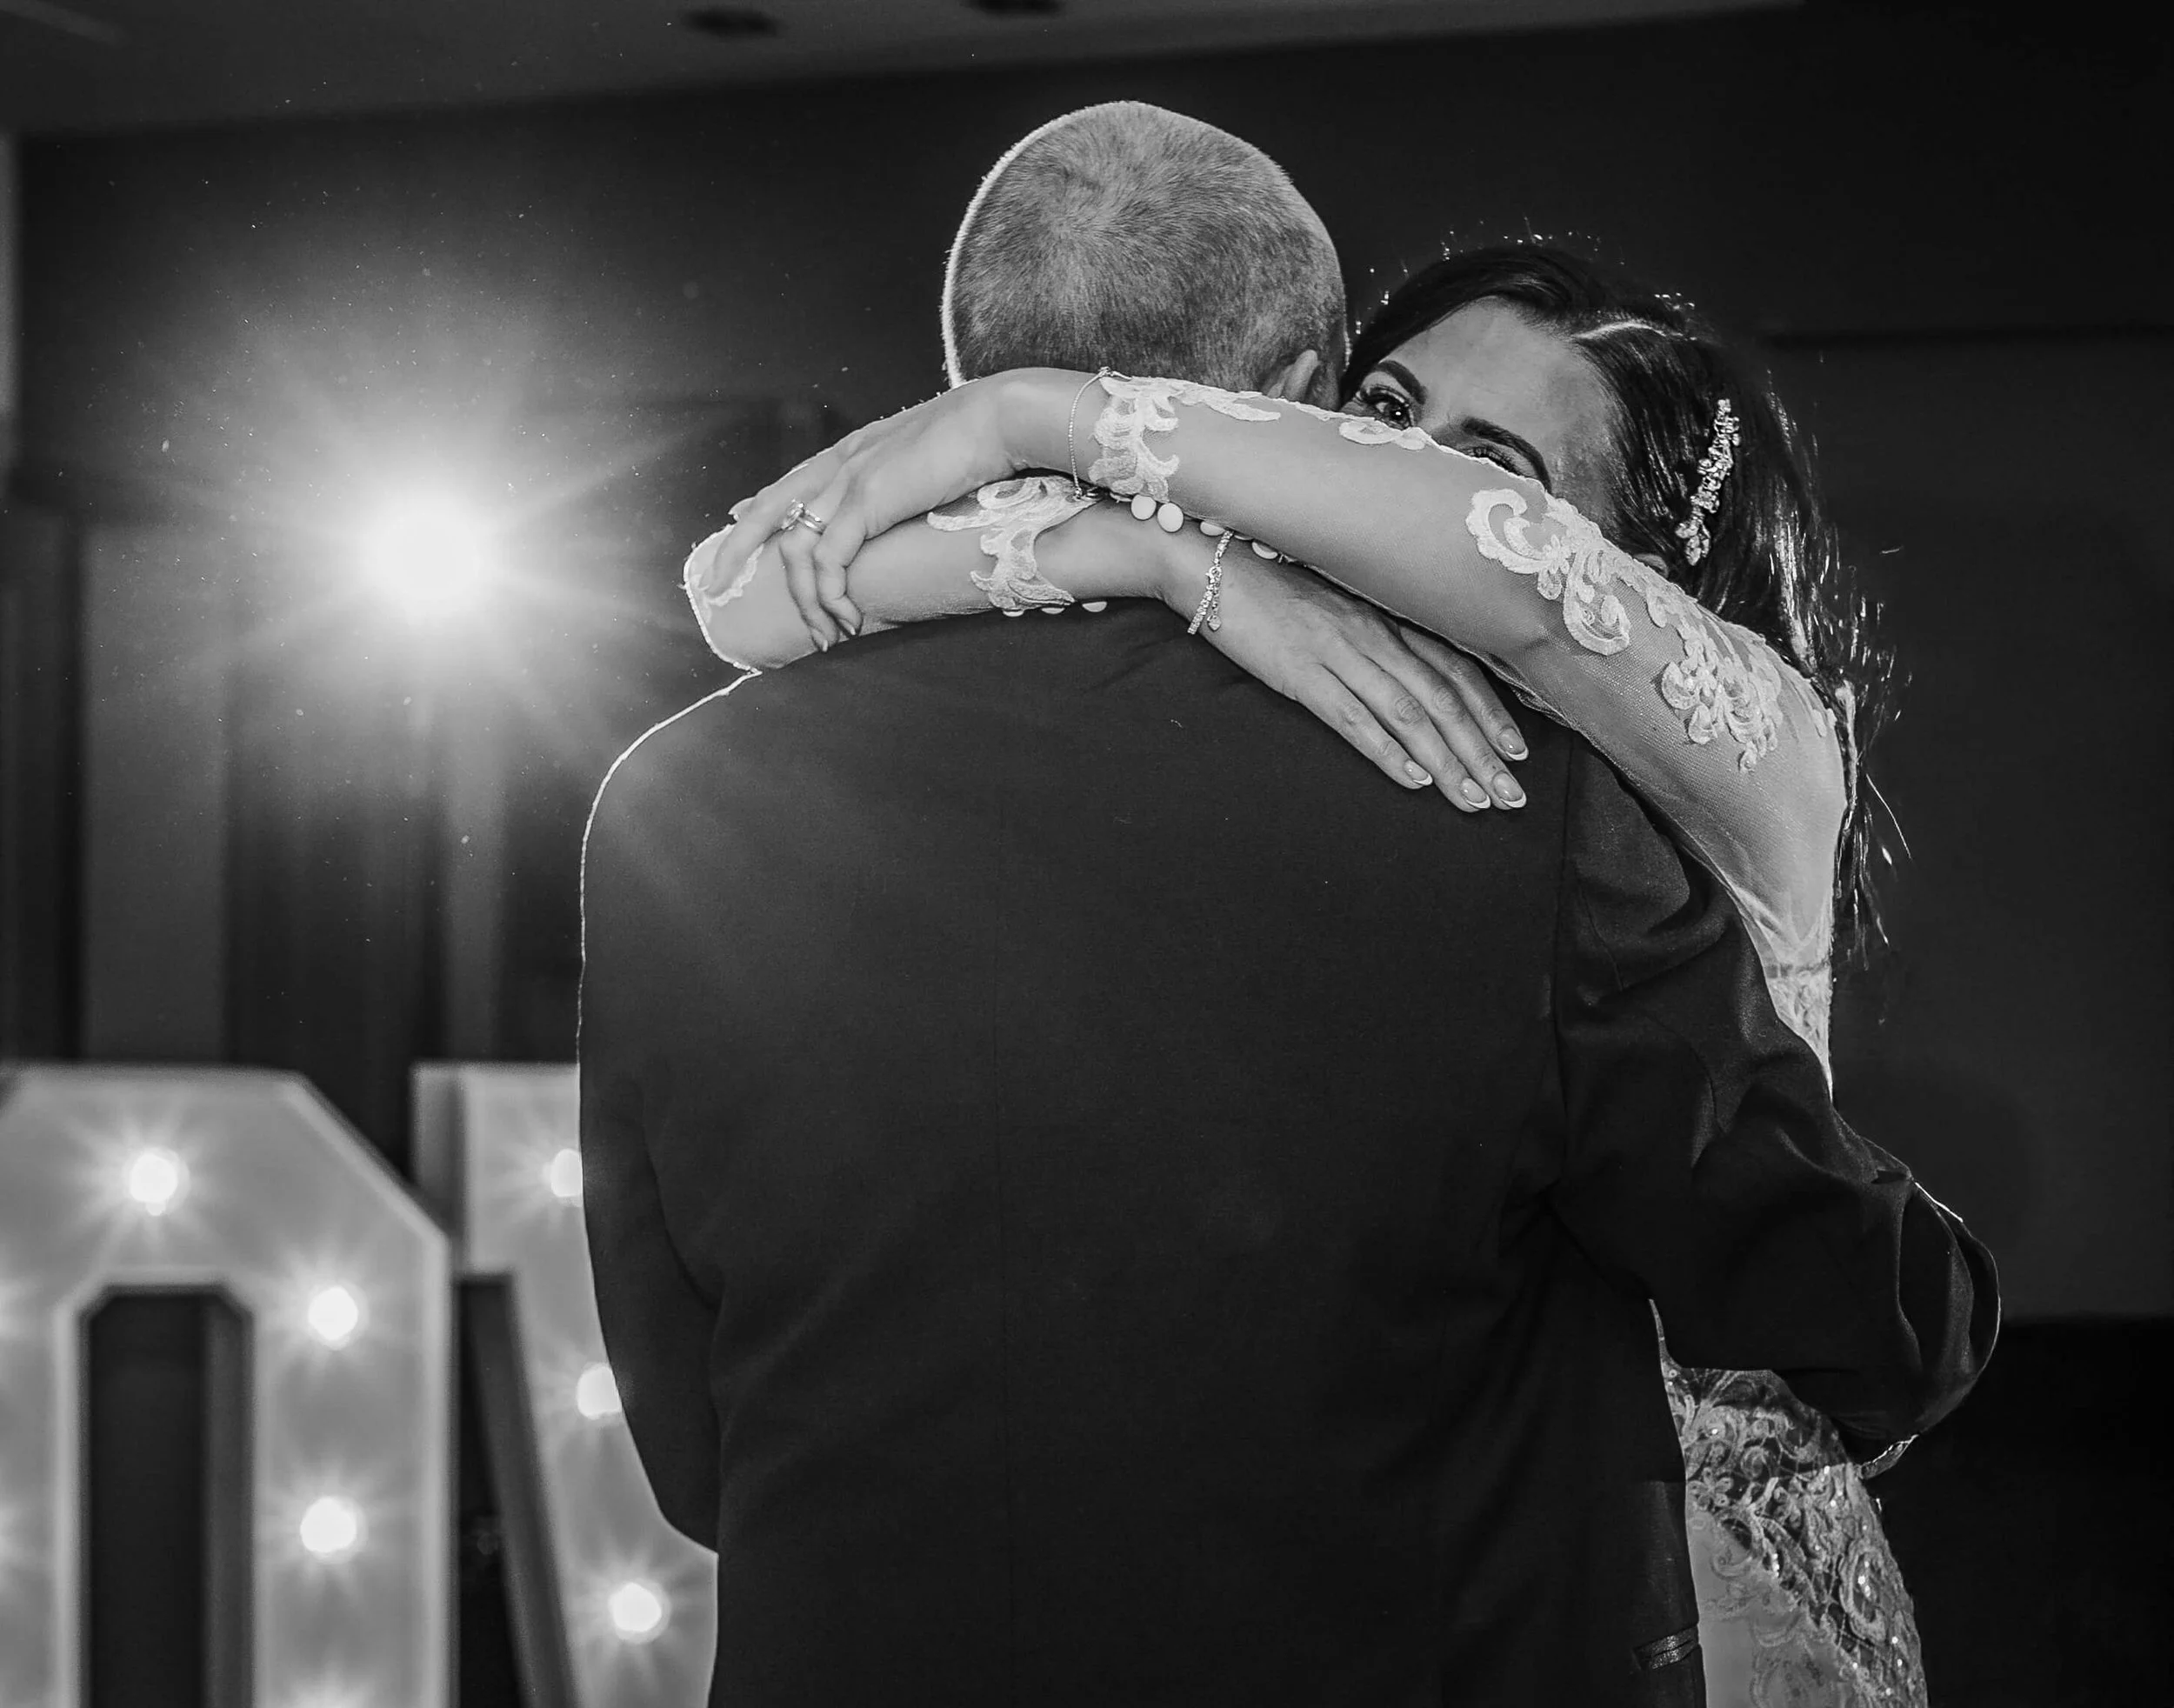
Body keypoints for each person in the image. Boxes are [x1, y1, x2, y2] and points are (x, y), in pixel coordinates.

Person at [588, 104, 1995, 1705]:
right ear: (1305, 403)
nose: (1384, 479)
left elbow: (703, 1464)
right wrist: (1155, 550)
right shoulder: (1502, 816)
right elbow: (1875, 1316)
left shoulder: (667, 800)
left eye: (1484, 473)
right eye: (1383, 414)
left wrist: (1050, 450)